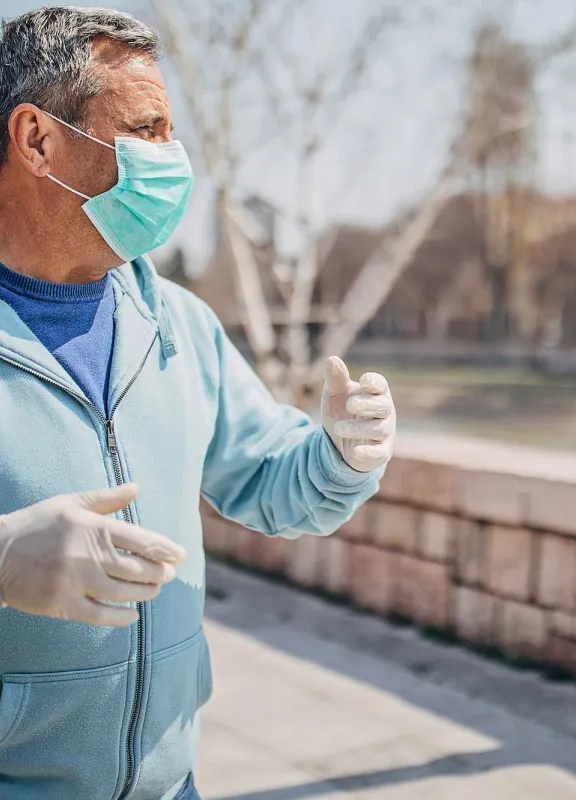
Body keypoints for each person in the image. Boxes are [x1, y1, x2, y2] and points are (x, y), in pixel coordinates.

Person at [0, 7, 396, 800]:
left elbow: (270, 479)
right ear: (37, 140)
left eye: (171, 132)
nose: (170, 158)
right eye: (145, 128)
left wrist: (339, 455)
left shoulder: (176, 322)